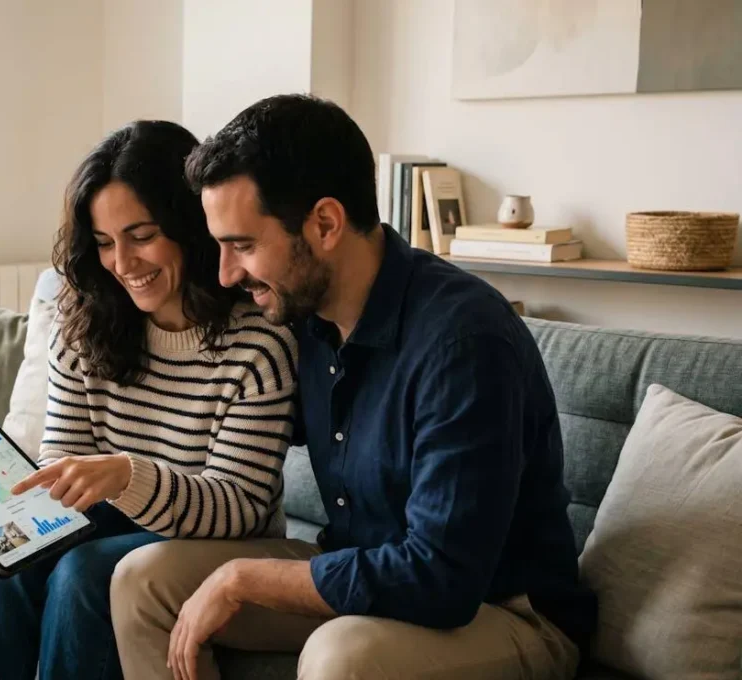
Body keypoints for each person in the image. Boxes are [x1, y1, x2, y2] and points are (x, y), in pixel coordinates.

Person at [110, 94, 597, 680]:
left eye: (242, 245)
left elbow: (441, 579)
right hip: (361, 569)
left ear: (325, 224)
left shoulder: (464, 341)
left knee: (343, 657)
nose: (226, 274)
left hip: (500, 610)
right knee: (143, 580)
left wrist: (245, 576)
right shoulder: (305, 318)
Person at [0, 120, 299, 680]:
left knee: (84, 574)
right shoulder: (86, 326)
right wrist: (13, 510)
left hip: (221, 541)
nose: (122, 263)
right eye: (103, 243)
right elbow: (62, 460)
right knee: (4, 559)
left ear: (190, 225)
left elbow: (240, 504)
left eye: (141, 236)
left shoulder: (259, 342)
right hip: (118, 522)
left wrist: (126, 476)